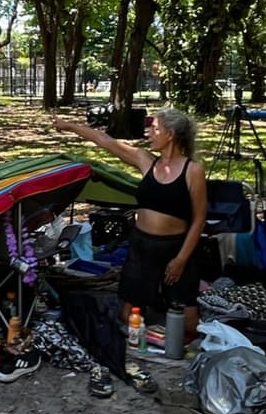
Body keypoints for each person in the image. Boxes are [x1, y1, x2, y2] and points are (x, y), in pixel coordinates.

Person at [54, 107, 207, 395]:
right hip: (142, 247)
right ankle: (156, 326)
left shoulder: (192, 171)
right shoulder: (146, 161)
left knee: (191, 326)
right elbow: (106, 141)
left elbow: (199, 219)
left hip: (176, 248)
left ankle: (163, 320)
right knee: (128, 318)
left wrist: (181, 259)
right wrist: (69, 126)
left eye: (155, 128)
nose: (148, 132)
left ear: (171, 134)